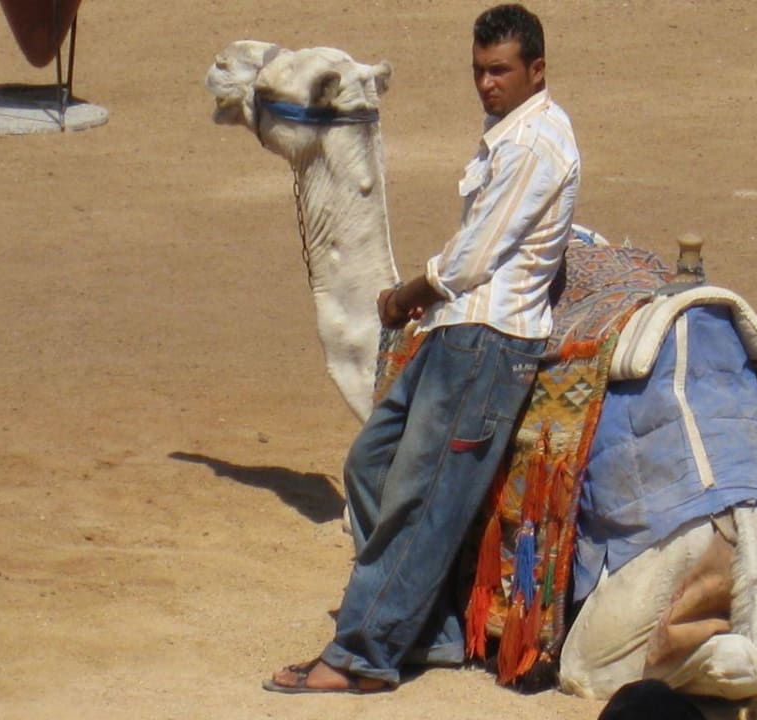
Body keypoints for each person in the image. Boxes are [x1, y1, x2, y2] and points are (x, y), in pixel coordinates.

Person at [263, 3, 581, 694]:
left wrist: (408, 294)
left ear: (536, 70)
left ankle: (361, 656)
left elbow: (471, 260)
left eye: (499, 71)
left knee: (416, 497)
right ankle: (428, 631)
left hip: (490, 343)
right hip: (454, 335)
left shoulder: (535, 145)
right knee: (368, 467)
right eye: (478, 71)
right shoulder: (508, 134)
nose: (486, 84)